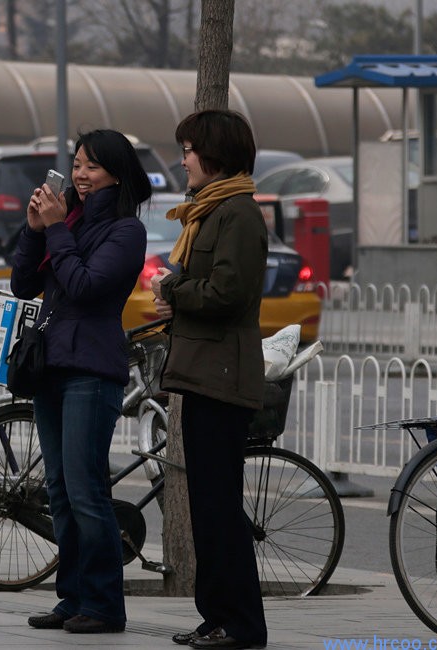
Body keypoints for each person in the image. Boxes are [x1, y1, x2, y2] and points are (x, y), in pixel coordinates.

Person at [12, 129, 151, 635]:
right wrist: (34, 229)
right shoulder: (64, 220)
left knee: (87, 489)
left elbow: (87, 287)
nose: (79, 175)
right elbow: (24, 284)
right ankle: (72, 598)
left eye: (90, 166)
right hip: (51, 367)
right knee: (60, 491)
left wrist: (54, 231)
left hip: (91, 372)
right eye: (75, 165)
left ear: (116, 172)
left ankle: (105, 604)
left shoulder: (125, 232)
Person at [152, 109, 268, 650]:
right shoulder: (210, 211)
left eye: (190, 149)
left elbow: (228, 294)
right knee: (206, 506)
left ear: (215, 152)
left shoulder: (237, 214)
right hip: (202, 375)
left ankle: (241, 625)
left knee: (220, 506)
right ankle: (216, 615)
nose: (183, 160)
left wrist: (174, 290)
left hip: (223, 376)